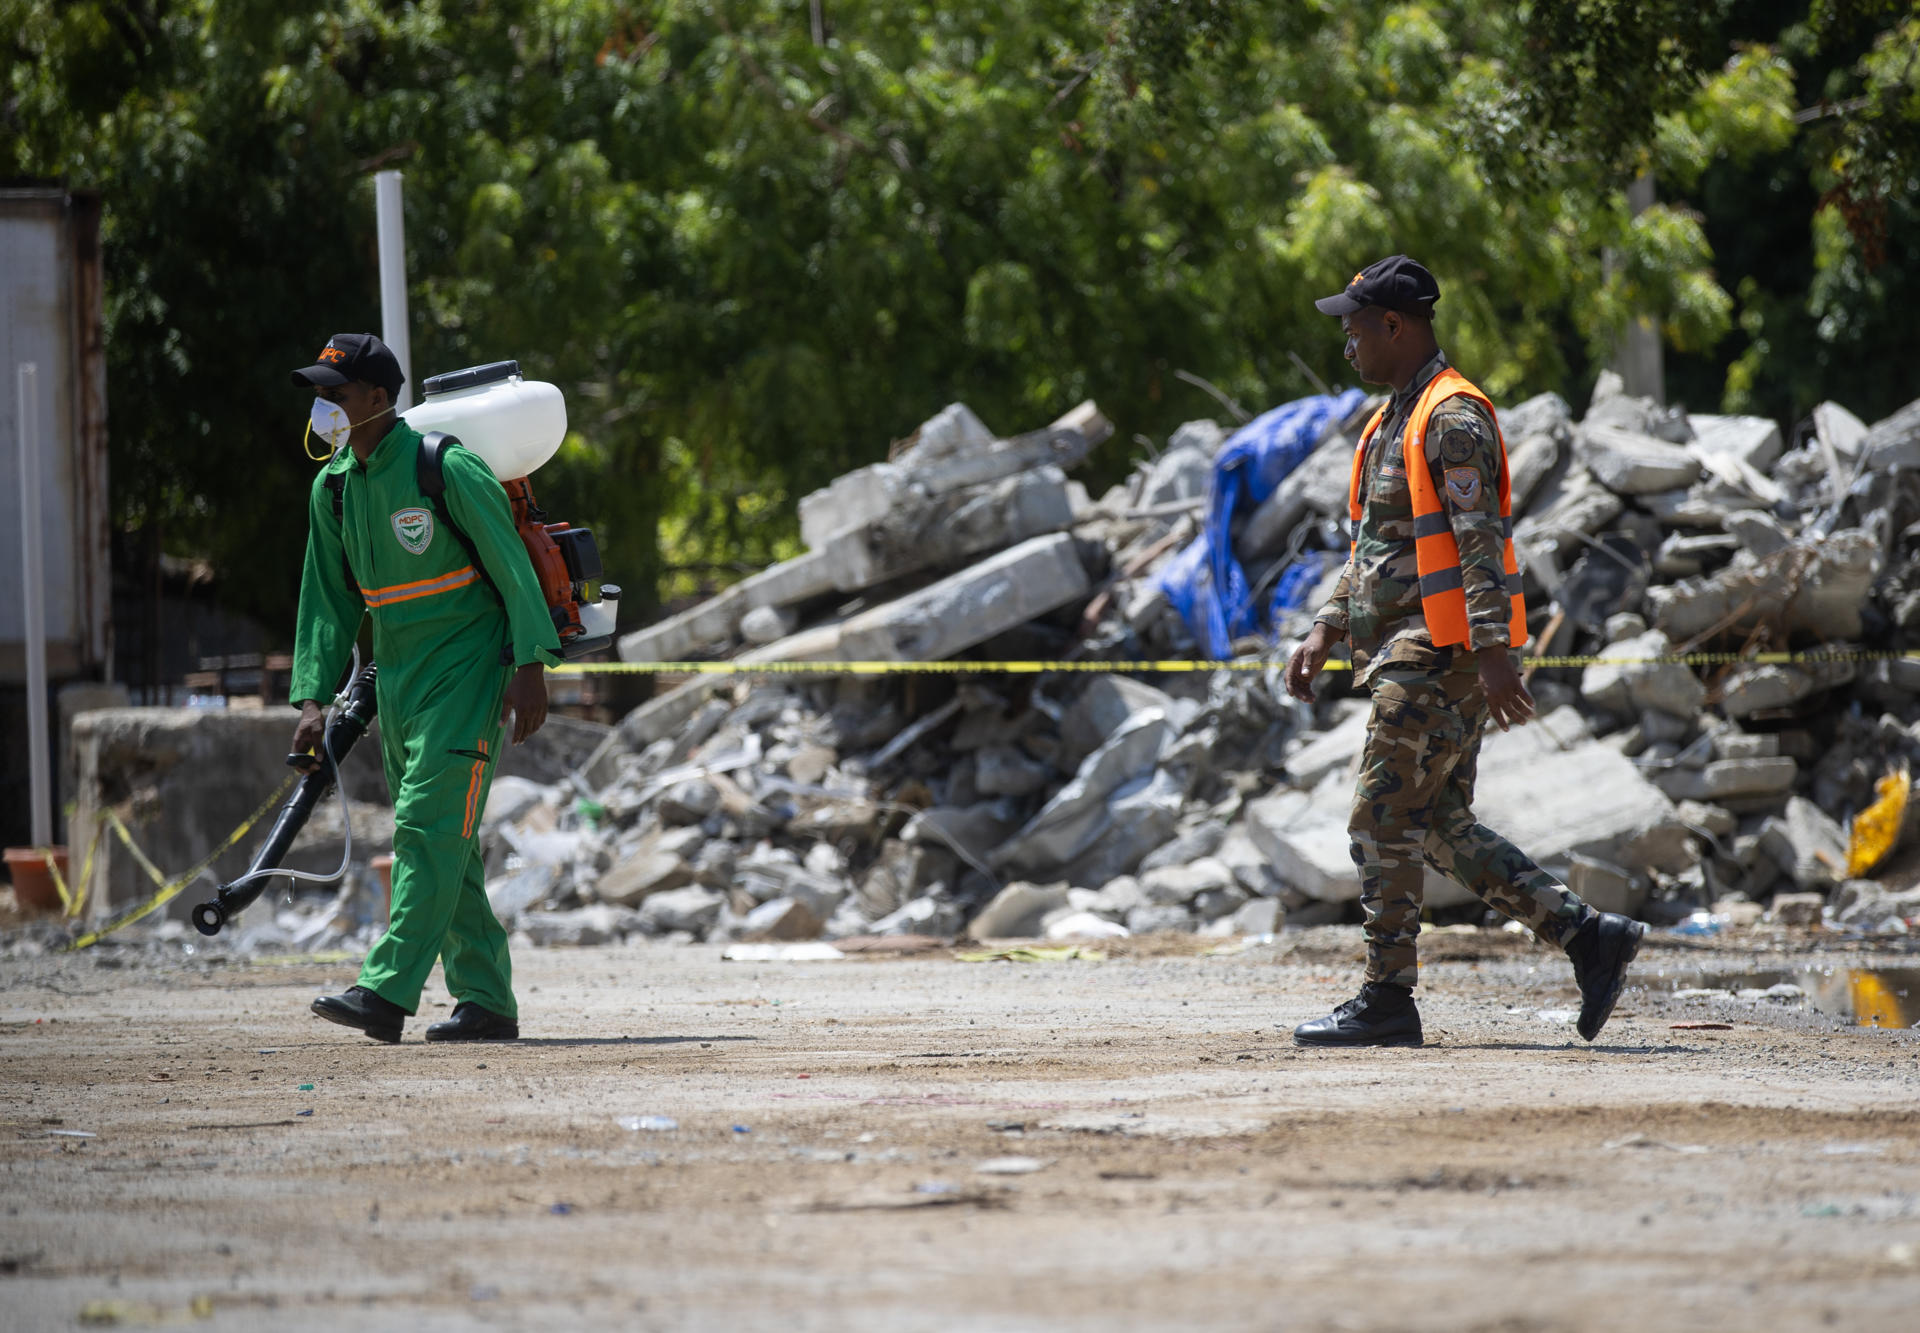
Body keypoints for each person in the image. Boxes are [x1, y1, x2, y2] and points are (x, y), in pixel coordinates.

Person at [1284, 256, 1645, 1049]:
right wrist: (1326, 626)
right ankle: (1589, 937)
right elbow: (1377, 545)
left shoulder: (1451, 417)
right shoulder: (1394, 419)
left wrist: (1492, 652)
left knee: (1380, 820)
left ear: (1394, 324)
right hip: (1414, 646)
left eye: (1353, 324)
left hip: (1438, 651)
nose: (1345, 339)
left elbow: (1480, 542)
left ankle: (1386, 998)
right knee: (1437, 824)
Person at [289, 333, 561, 1043]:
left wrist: (530, 664)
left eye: (336, 394)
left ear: (378, 398)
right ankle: (487, 998)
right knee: (452, 842)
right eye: (319, 395)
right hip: (400, 677)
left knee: (427, 825)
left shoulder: (444, 466)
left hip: (467, 666)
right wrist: (313, 699)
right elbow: (327, 600)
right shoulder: (336, 487)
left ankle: (384, 989)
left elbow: (511, 566)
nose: (324, 408)